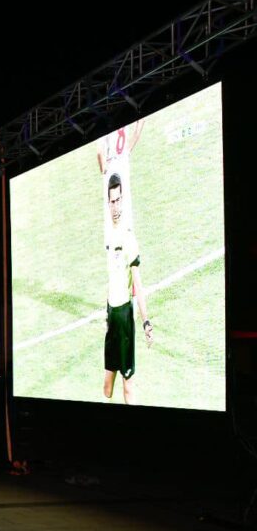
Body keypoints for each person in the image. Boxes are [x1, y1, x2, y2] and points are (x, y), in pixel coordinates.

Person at [102, 172, 153, 404]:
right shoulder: (109, 234)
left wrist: (146, 321)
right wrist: (106, 313)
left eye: (119, 200)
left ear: (123, 199)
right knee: (107, 386)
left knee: (127, 386)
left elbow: (138, 285)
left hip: (124, 316)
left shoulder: (128, 237)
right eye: (112, 201)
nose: (115, 206)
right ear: (108, 202)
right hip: (112, 316)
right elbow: (111, 276)